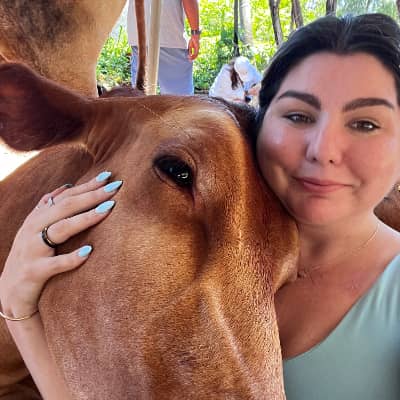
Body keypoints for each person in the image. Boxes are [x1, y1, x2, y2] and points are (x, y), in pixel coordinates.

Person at [1, 12, 400, 399]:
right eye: (298, 115)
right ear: (263, 119)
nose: (324, 150)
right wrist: (20, 311)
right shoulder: (233, 237)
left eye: (366, 124)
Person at [127, 0, 200, 95]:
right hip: (169, 35)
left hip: (138, 34)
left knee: (141, 98)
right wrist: (195, 33)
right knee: (179, 100)